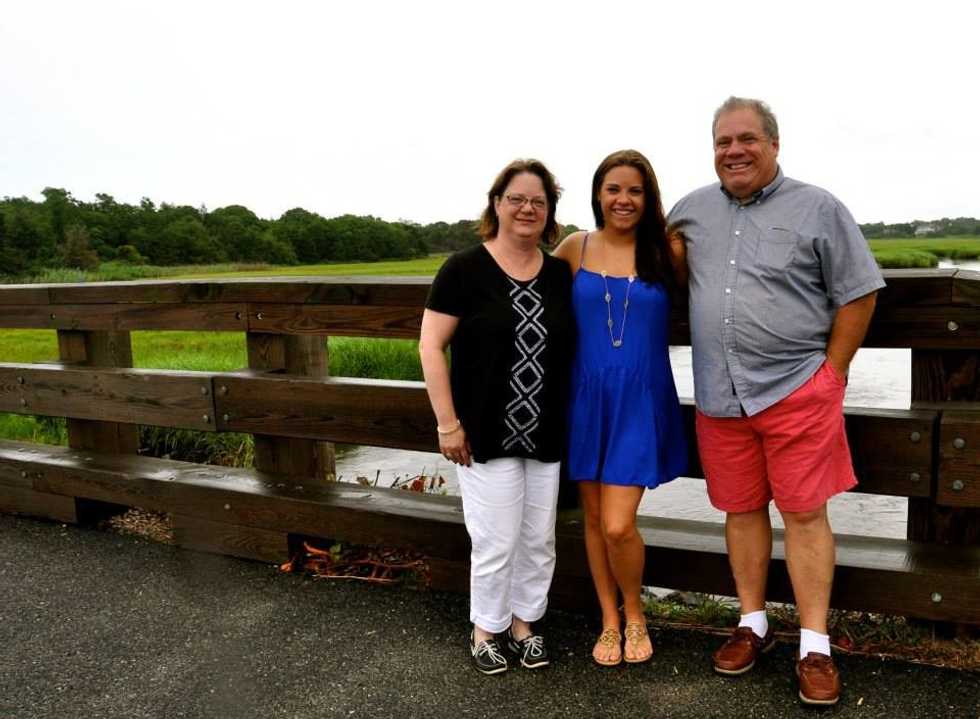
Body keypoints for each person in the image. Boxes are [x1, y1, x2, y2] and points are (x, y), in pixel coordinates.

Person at [668, 97, 884, 706]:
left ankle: (815, 646)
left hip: (796, 391)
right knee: (740, 511)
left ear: (773, 144)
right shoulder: (689, 212)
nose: (734, 151)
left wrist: (832, 374)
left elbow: (859, 292)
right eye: (723, 141)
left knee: (806, 514)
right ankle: (752, 623)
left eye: (747, 139)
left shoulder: (819, 207)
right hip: (720, 396)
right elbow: (656, 265)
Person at [419, 159, 574, 675]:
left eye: (538, 201)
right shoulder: (464, 268)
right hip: (484, 432)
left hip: (545, 430)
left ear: (549, 211)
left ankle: (525, 624)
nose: (528, 208)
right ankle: (486, 628)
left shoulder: (558, 274)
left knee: (538, 539)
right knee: (495, 540)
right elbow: (430, 346)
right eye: (517, 199)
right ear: (497, 204)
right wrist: (447, 423)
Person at [553, 149, 687, 666]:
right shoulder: (575, 248)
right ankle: (609, 619)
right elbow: (528, 293)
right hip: (585, 398)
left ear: (649, 197)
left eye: (635, 190)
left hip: (641, 398)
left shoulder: (669, 250)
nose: (623, 199)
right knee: (592, 517)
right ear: (598, 194)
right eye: (613, 189)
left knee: (616, 524)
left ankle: (636, 613)